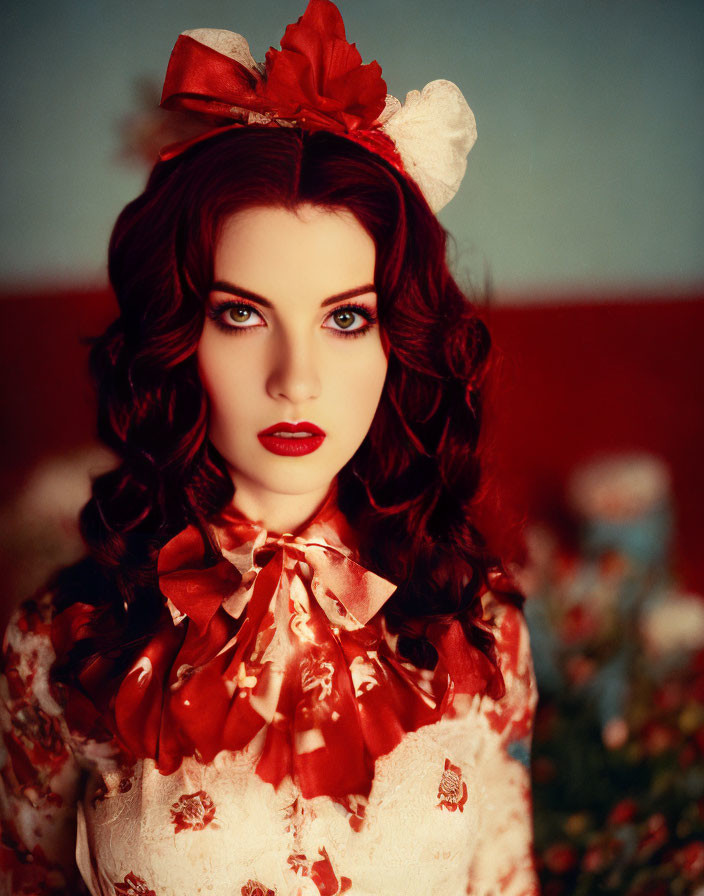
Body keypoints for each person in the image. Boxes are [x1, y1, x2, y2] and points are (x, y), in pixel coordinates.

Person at [0, 2, 538, 894]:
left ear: (396, 339)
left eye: (345, 318)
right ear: (179, 335)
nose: (296, 379)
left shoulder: (481, 632)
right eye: (242, 314)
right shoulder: (60, 642)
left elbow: (506, 878)